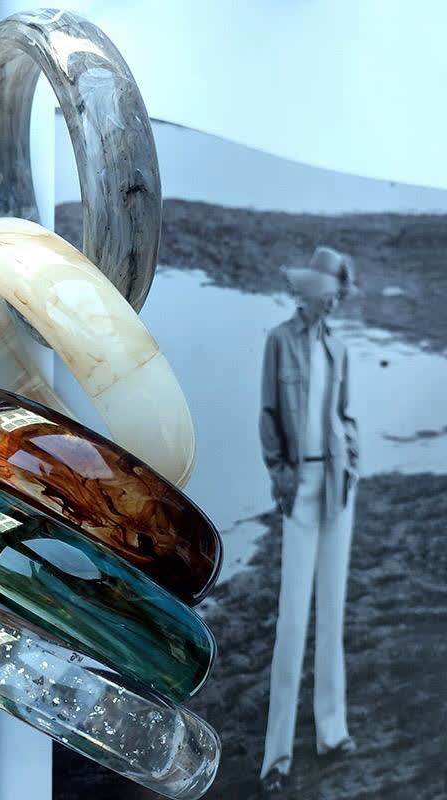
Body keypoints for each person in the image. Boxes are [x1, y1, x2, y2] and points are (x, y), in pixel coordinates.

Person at [257, 246, 360, 794]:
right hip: (300, 488)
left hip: (339, 487)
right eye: (332, 292)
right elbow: (269, 416)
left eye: (341, 293)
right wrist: (280, 478)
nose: (337, 301)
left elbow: (345, 415)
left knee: (332, 614)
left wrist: (354, 459)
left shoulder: (338, 348)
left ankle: (332, 733)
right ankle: (276, 757)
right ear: (315, 291)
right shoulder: (279, 340)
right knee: (293, 620)